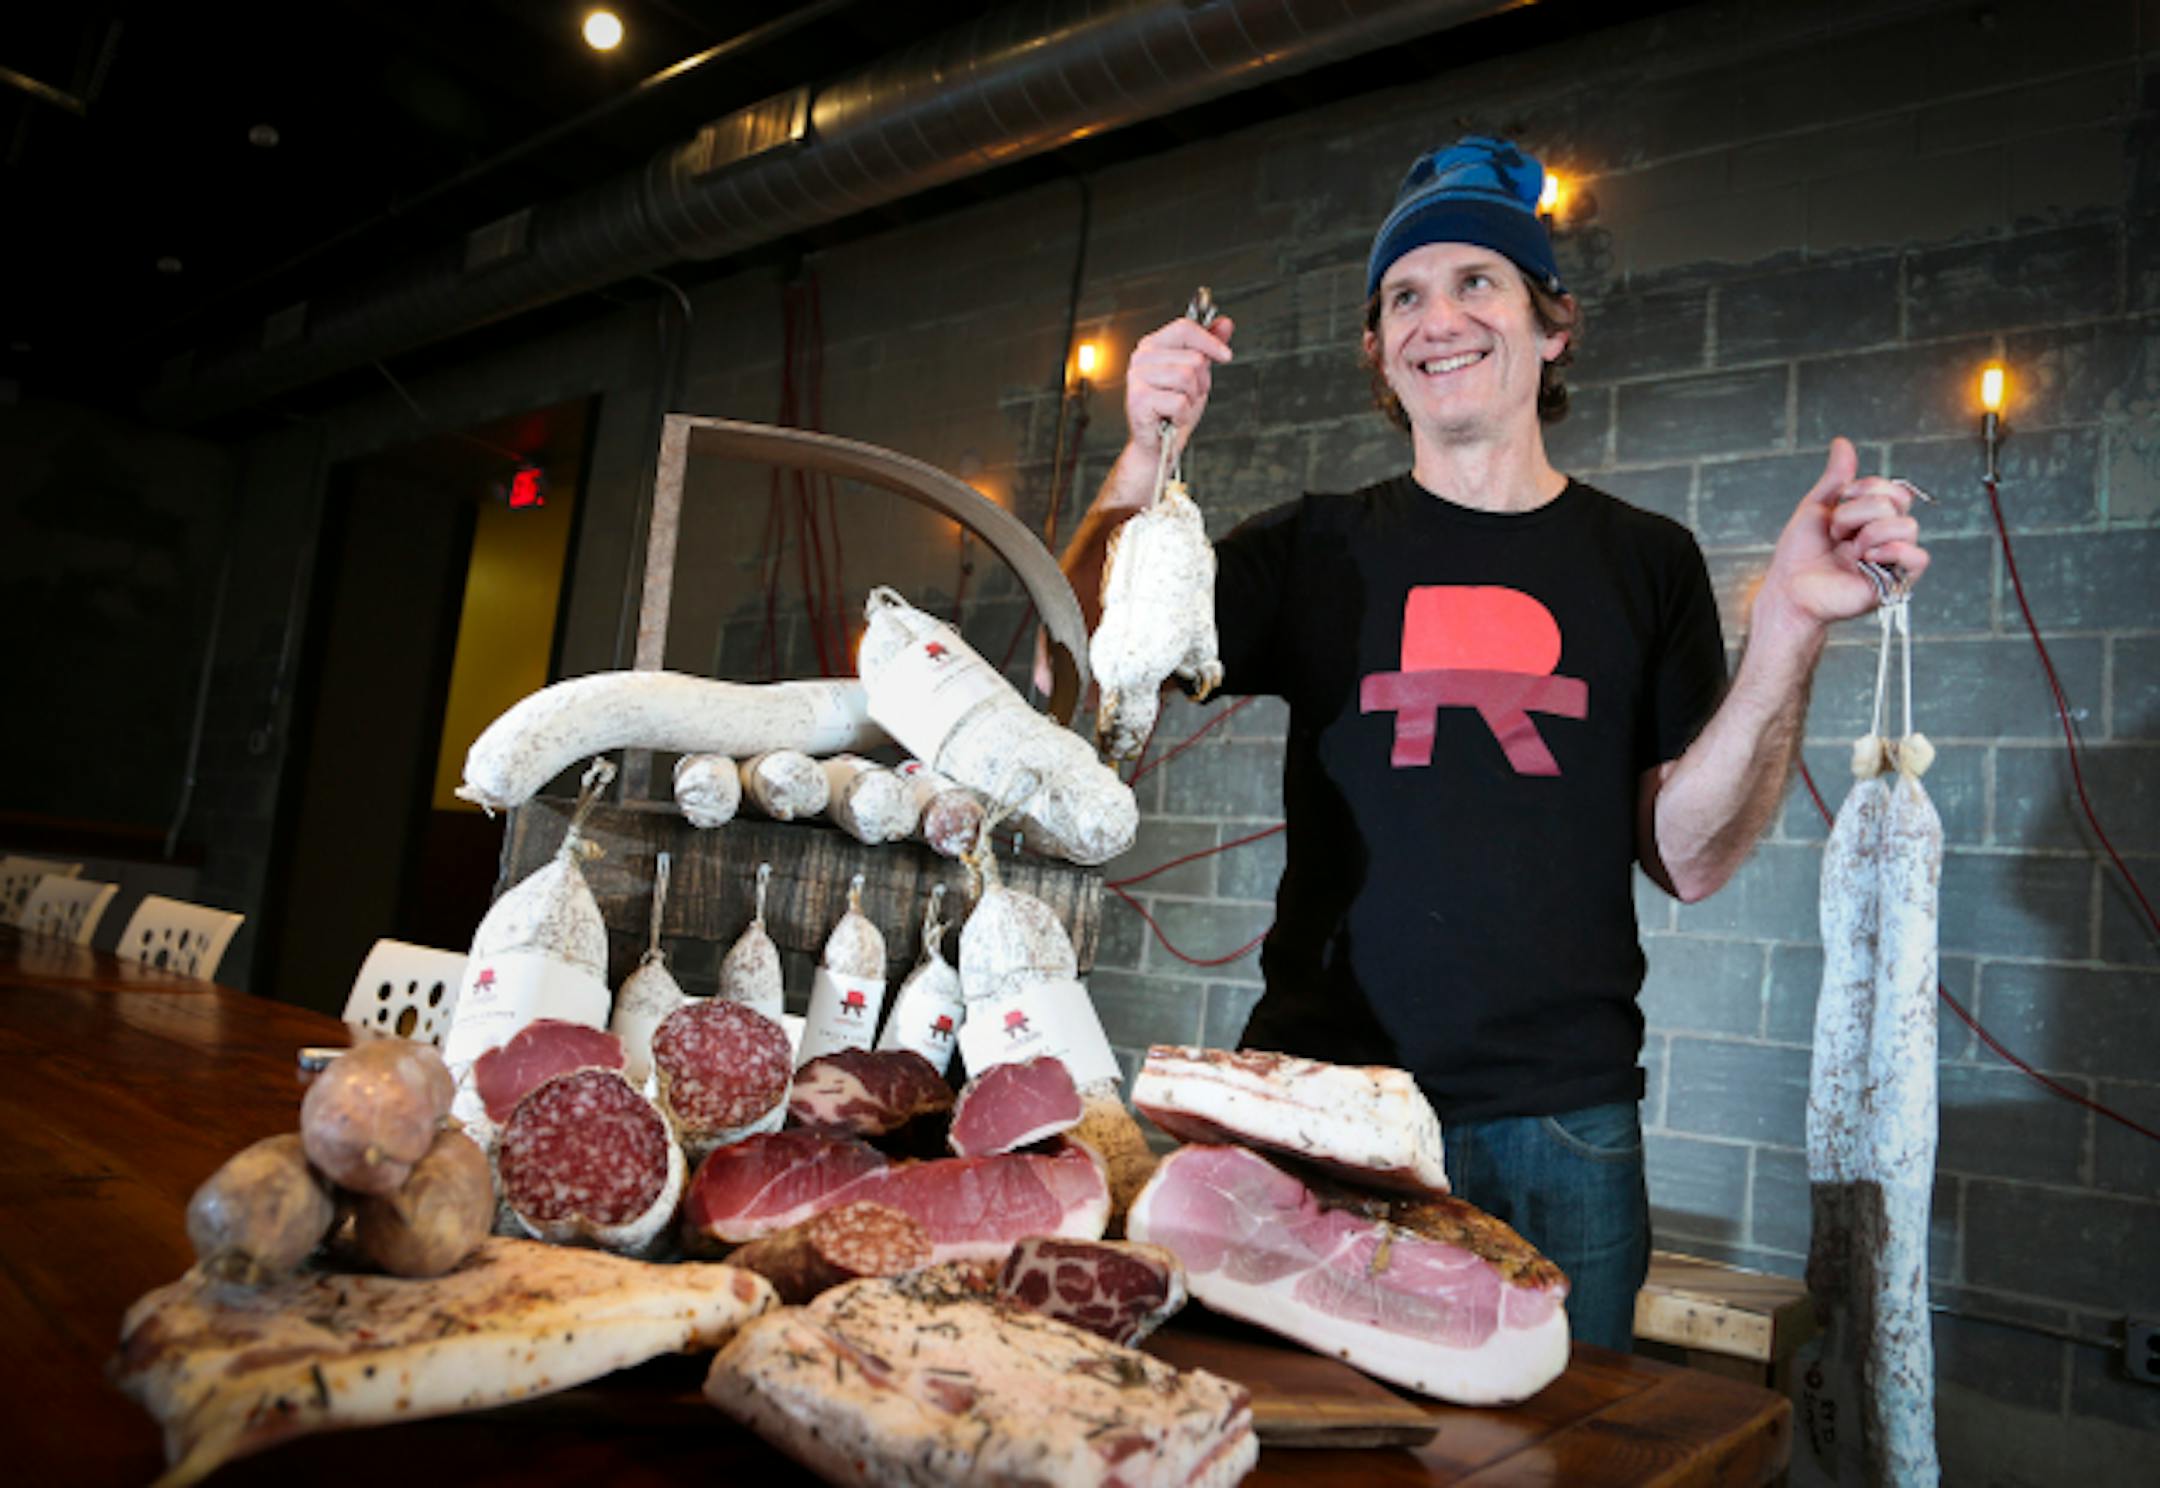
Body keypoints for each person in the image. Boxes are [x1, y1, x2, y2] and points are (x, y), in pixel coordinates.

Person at [1057, 136, 1929, 1352]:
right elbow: (1073, 663)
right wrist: (1146, 448)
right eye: (1404, 295)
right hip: (1316, 1104)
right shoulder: (1313, 548)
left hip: (1556, 1128)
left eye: (1480, 282)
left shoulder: (1644, 561)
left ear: (1552, 325)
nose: (1438, 316)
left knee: (1563, 1462)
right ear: (1377, 351)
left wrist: (1786, 627)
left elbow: (1692, 856)